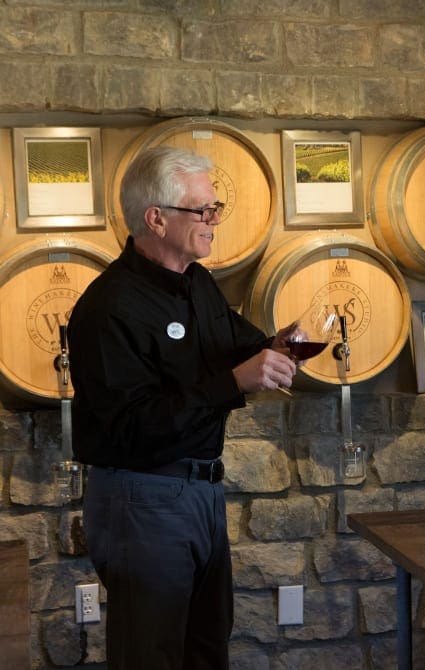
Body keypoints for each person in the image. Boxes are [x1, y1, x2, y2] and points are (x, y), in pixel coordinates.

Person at [69, 146, 299, 668]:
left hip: (200, 494)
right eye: (203, 210)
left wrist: (281, 345)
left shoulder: (198, 283)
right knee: (151, 654)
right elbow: (129, 427)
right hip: (142, 497)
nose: (214, 220)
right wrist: (233, 383)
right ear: (157, 218)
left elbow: (235, 347)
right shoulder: (109, 308)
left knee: (206, 647)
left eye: (215, 208)